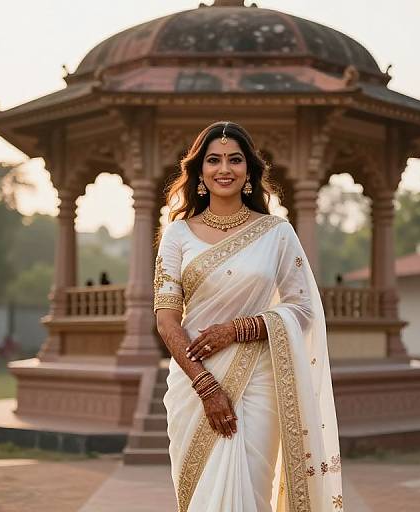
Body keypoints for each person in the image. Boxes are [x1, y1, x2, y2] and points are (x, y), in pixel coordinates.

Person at [154, 121, 342, 511]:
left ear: (249, 171)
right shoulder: (177, 235)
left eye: (235, 159)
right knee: (203, 495)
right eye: (214, 160)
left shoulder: (276, 233)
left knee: (251, 493)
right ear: (200, 171)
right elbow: (167, 320)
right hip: (194, 383)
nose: (225, 168)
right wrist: (205, 386)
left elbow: (304, 308)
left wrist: (238, 329)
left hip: (258, 381)